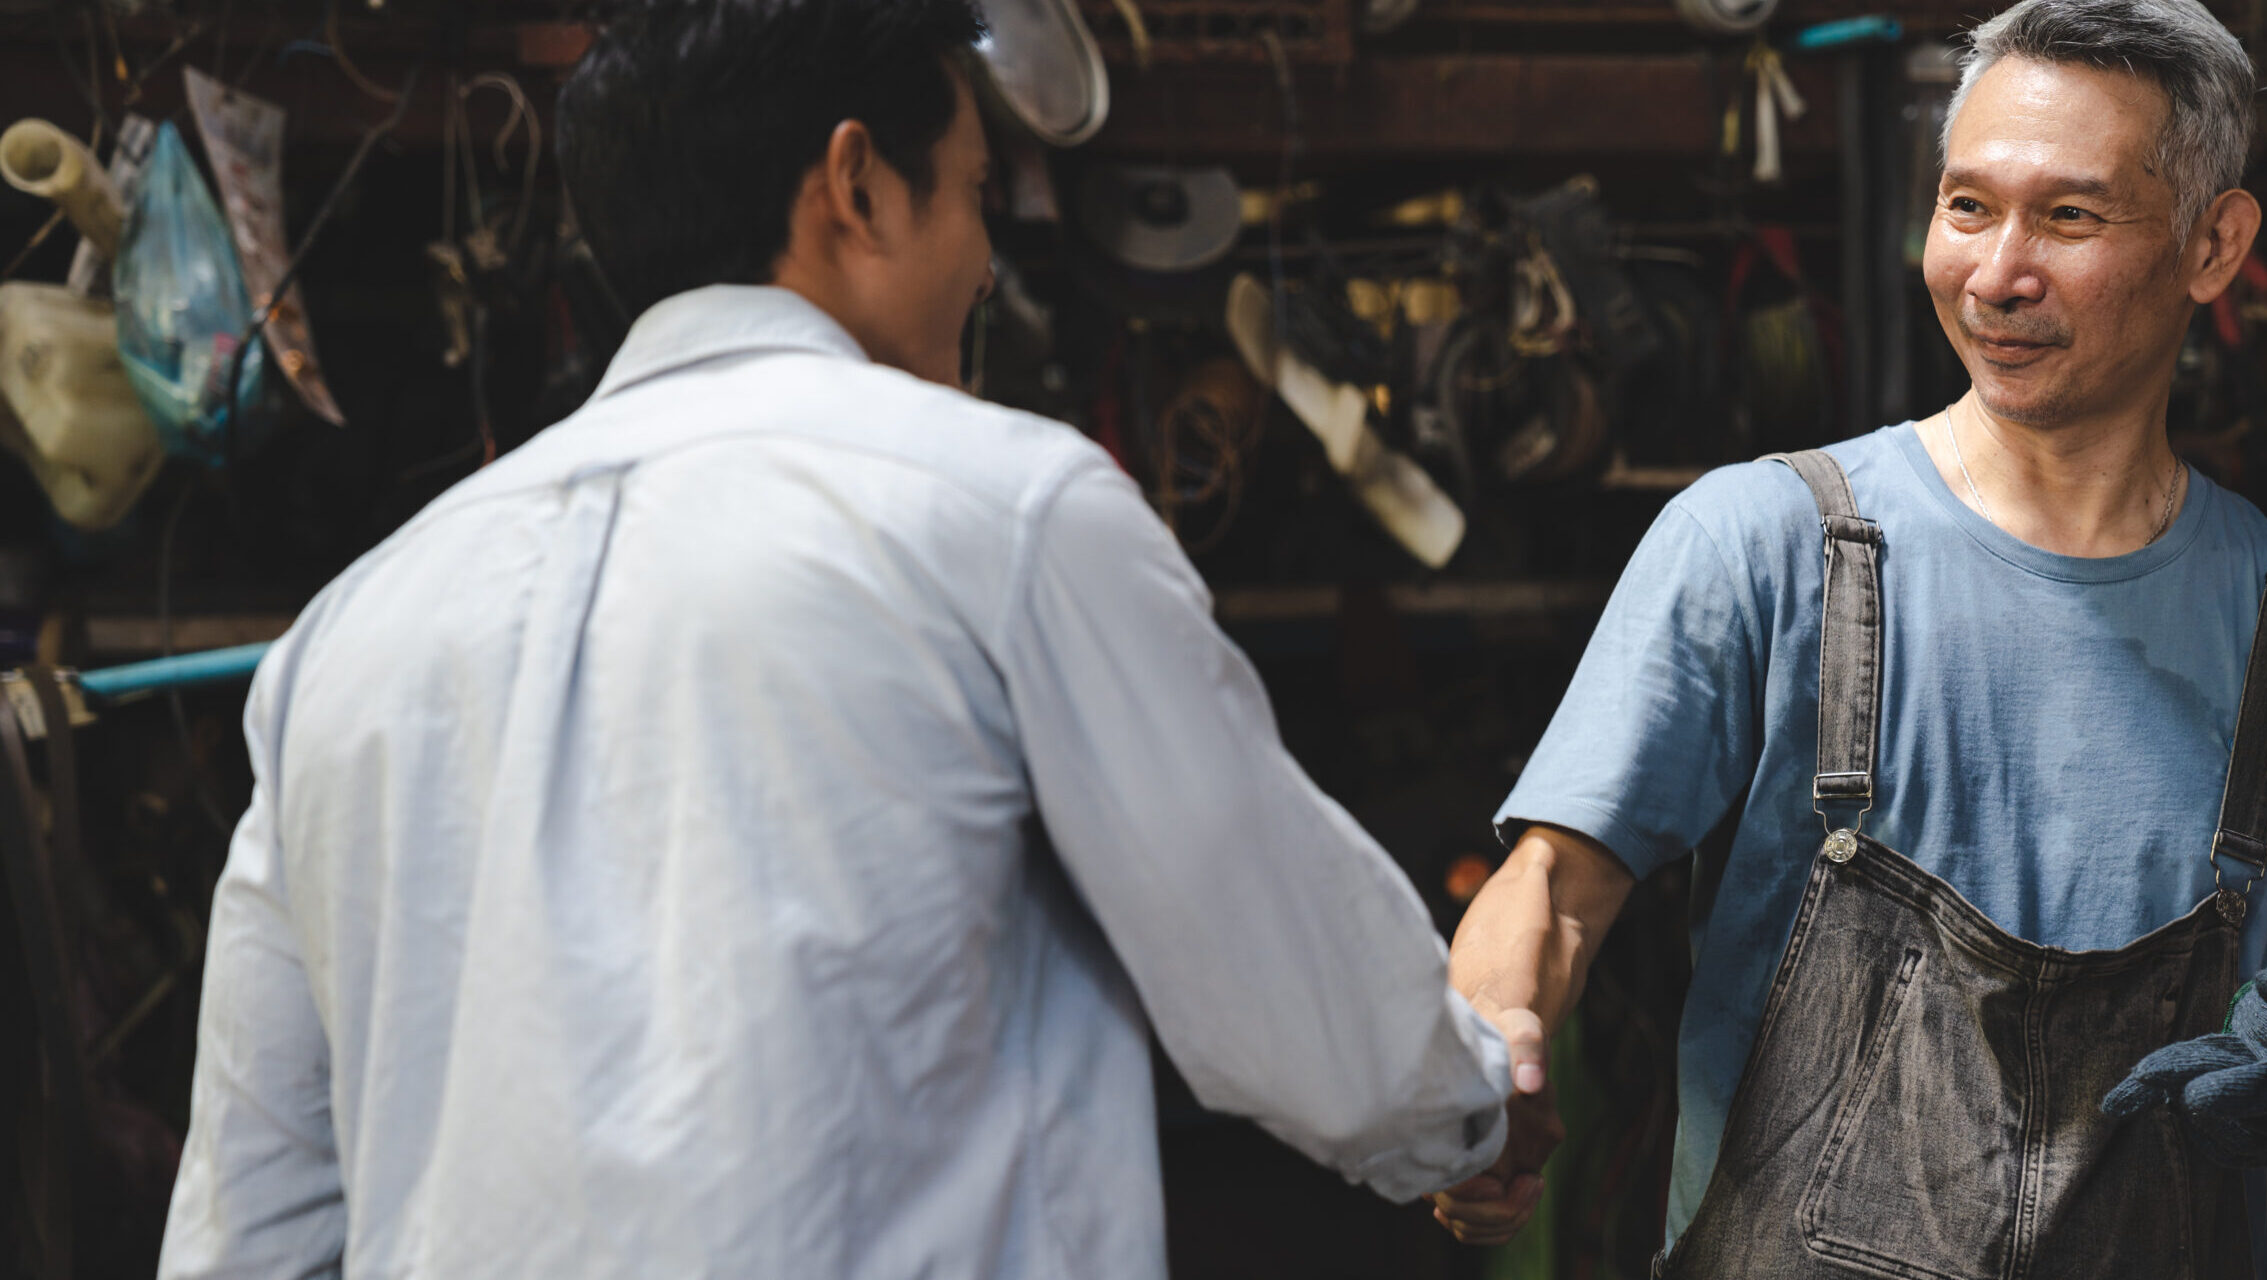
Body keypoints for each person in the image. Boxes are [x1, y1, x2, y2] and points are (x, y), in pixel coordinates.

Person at [157, 2, 1536, 1276]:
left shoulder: (342, 642)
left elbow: (250, 1230)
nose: (989, 268)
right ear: (857, 186)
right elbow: (1306, 999)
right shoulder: (1000, 511)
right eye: (979, 201)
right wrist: (1474, 1118)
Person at [1429, 1, 2267, 1277]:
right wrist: (1494, 1061)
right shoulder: (1762, 542)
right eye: (1968, 207)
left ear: (2215, 244)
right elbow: (1554, 886)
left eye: (2069, 217)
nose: (1994, 274)